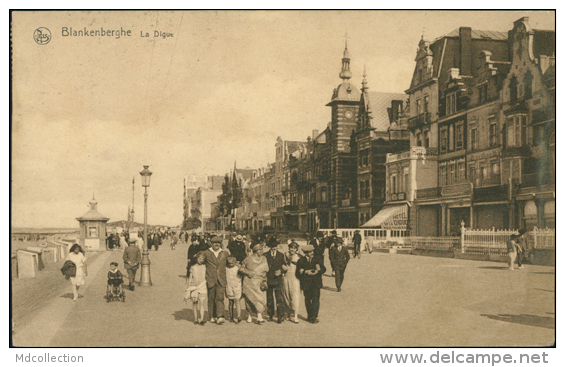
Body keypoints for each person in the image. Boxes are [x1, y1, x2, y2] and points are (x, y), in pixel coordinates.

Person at [201, 236, 229, 324]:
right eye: (214, 243)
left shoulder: (225, 253)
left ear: (221, 244)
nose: (216, 244)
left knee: (220, 298)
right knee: (211, 298)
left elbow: (230, 264)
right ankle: (212, 316)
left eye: (218, 243)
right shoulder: (206, 253)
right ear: (211, 244)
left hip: (221, 279)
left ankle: (220, 316)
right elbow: (200, 262)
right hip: (211, 279)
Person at [296, 244, 326, 323]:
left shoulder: (317, 259)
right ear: (306, 253)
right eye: (310, 252)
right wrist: (305, 272)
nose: (312, 253)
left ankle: (314, 316)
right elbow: (297, 274)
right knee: (308, 300)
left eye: (312, 251)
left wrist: (317, 271)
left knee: (316, 300)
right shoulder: (301, 261)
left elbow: (323, 268)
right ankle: (309, 316)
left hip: (316, 283)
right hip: (306, 284)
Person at [240, 243, 269, 324]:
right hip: (249, 282)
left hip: (260, 282)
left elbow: (266, 269)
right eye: (259, 250)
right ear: (255, 251)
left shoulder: (264, 258)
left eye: (261, 250)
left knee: (260, 299)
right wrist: (248, 272)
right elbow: (241, 268)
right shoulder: (248, 259)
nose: (261, 252)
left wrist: (264, 275)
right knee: (249, 299)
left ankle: (259, 316)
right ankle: (249, 315)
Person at [264, 237, 289, 323]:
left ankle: (280, 315)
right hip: (269, 279)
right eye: (272, 246)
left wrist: (281, 271)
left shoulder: (281, 255)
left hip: (278, 280)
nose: (273, 248)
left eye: (275, 246)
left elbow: (285, 266)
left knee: (279, 298)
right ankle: (270, 314)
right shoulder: (265, 255)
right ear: (269, 247)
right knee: (269, 298)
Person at [185, 252, 208, 325]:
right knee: (195, 303)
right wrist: (188, 287)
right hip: (194, 286)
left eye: (202, 259)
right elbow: (190, 278)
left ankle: (201, 318)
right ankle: (195, 318)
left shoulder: (205, 267)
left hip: (202, 286)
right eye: (199, 258)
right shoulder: (193, 267)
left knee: (201, 303)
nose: (201, 260)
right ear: (197, 258)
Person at [283, 241, 302, 323]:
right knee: (286, 295)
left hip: (295, 278)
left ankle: (295, 315)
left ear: (297, 249)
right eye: (291, 248)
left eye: (294, 248)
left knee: (295, 296)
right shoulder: (285, 254)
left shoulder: (299, 256)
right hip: (286, 277)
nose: (292, 250)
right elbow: (282, 263)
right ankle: (288, 314)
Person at [226, 256, 243, 323]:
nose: (230, 265)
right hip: (229, 286)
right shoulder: (226, 269)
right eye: (229, 263)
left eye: (232, 263)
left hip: (237, 286)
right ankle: (231, 316)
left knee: (237, 301)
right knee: (230, 302)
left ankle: (239, 316)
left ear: (235, 263)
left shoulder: (237, 268)